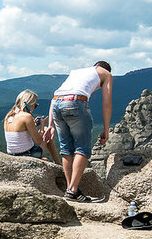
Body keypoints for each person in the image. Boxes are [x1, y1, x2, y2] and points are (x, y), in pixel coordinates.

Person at [44, 61, 114, 202]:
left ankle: (71, 190)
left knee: (66, 149)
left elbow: (54, 99)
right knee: (82, 148)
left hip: (57, 103)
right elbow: (107, 103)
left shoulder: (76, 72)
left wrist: (50, 125)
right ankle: (73, 190)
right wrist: (106, 130)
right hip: (75, 102)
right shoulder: (106, 74)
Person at [3, 90, 60, 164]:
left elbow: (19, 131)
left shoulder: (9, 116)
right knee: (46, 131)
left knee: (45, 158)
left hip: (12, 154)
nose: (34, 107)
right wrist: (42, 125)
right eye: (35, 105)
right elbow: (38, 141)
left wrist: (34, 125)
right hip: (27, 154)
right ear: (29, 104)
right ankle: (58, 163)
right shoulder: (27, 116)